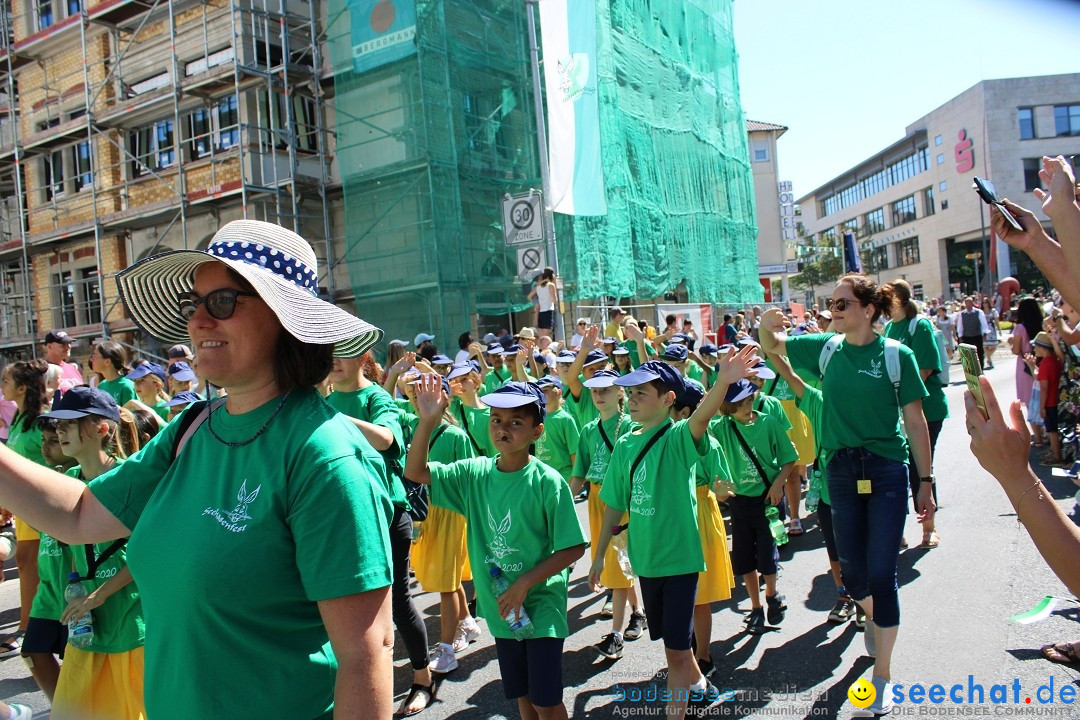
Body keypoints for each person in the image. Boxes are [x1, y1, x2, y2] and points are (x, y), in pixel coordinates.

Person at [0, 220, 396, 718]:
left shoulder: (323, 455)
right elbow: (80, 515)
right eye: (195, 304)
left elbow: (367, 654)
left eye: (223, 303)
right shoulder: (192, 428)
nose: (199, 321)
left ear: (285, 317)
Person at [759, 274, 935, 717]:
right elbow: (772, 345)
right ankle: (877, 617)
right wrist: (766, 322)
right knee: (852, 574)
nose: (833, 311)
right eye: (832, 304)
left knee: (881, 571)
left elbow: (915, 422)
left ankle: (883, 676)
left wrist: (925, 481)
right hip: (838, 470)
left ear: (869, 309)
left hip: (887, 470)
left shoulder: (897, 355)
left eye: (842, 304)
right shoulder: (826, 348)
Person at [590, 350, 759, 719]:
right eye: (629, 393)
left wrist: (723, 382)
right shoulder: (624, 444)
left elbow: (701, 417)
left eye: (641, 394)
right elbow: (614, 507)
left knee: (677, 653)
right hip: (645, 562)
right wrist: (599, 555)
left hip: (680, 560)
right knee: (673, 646)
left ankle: (676, 712)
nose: (631, 400)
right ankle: (701, 686)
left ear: (668, 400)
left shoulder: (679, 436)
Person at [405, 379, 587, 720]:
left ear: (537, 432)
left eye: (516, 422)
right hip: (503, 611)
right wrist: (428, 419)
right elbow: (415, 471)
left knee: (546, 700)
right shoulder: (474, 474)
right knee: (522, 696)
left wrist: (524, 583)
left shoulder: (548, 482)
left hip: (541, 606)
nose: (503, 428)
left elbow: (572, 548)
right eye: (496, 419)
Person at [324, 351, 431, 715]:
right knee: (346, 604)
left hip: (387, 514)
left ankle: (422, 677)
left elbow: (387, 438)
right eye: (329, 357)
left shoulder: (376, 398)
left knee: (397, 601)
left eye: (342, 355)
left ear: (361, 360)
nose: (334, 363)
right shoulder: (323, 400)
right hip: (345, 516)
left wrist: (335, 419)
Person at [40, 387, 146, 720]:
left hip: (133, 631)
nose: (60, 431)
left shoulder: (133, 478)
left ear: (102, 428)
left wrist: (98, 595)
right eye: (58, 424)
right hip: (85, 632)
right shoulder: (67, 480)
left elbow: (150, 552)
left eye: (69, 423)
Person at [402, 373, 483, 689]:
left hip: (450, 515)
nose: (415, 400)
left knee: (448, 583)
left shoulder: (455, 436)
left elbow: (468, 480)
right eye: (412, 394)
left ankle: (447, 649)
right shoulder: (411, 427)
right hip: (423, 516)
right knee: (438, 577)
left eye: (422, 394)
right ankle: (466, 621)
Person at [767, 351, 856, 626]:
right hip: (829, 488)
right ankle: (844, 596)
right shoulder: (816, 401)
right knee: (835, 548)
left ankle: (865, 599)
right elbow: (790, 374)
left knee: (859, 547)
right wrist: (771, 339)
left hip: (863, 490)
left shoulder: (865, 405)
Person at [568, 369, 646, 660]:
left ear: (620, 392)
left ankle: (615, 634)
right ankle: (638, 612)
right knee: (618, 564)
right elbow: (579, 474)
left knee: (615, 563)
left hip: (622, 503)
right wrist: (561, 501)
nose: (599, 395)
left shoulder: (630, 425)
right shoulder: (588, 429)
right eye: (595, 390)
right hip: (596, 501)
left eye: (606, 389)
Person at [709, 379, 796, 634]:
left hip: (768, 499)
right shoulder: (721, 427)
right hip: (739, 501)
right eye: (738, 403)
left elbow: (789, 458)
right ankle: (756, 607)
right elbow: (701, 421)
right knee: (744, 557)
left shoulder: (768, 422)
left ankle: (771, 594)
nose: (746, 406)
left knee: (768, 554)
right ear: (726, 406)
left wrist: (778, 484)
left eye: (749, 400)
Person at [669, 381, 734, 677]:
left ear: (684, 412)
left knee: (700, 598)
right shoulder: (664, 440)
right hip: (673, 522)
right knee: (680, 600)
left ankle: (704, 655)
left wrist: (721, 490)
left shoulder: (710, 443)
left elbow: (724, 490)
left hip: (701, 521)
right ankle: (686, 655)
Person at [885, 279, 947, 549]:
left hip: (926, 409)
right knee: (896, 470)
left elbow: (923, 371)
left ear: (898, 300)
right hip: (897, 411)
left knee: (920, 468)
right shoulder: (889, 327)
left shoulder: (918, 325)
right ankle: (896, 530)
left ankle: (929, 528)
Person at [1, 360, 51, 660]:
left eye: (6, 381)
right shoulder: (19, 419)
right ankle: (29, 626)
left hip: (40, 504)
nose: (2, 385)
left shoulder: (42, 420)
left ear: (22, 388)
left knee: (30, 562)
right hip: (23, 504)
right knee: (25, 562)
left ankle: (27, 628)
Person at [1026, 332, 1067, 467]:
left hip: (1049, 402)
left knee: (1052, 431)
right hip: (1057, 401)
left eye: (1036, 346)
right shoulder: (1055, 361)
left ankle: (1057, 456)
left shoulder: (1045, 364)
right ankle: (1055, 453)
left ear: (1043, 348)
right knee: (1053, 429)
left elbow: (1044, 388)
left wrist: (1042, 407)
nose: (1034, 349)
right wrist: (1032, 366)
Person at [1011, 297, 1045, 444]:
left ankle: (1038, 438)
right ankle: (1047, 433)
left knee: (1030, 401)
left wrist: (1012, 343)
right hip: (1042, 363)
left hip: (1025, 364)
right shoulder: (1042, 324)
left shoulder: (1020, 328)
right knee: (1042, 398)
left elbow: (1016, 350)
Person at [533, 377, 579, 484]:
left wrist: (574, 480)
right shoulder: (537, 418)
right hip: (542, 476)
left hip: (562, 476)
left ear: (558, 392)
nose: (541, 394)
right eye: (539, 391)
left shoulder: (565, 419)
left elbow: (575, 453)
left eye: (545, 390)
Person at [89, 342, 136, 407]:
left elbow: (131, 416)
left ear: (107, 362)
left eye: (94, 356)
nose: (91, 360)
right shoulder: (101, 386)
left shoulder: (127, 387)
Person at [956, 296, 990, 370]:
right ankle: (970, 370)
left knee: (979, 352)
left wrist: (984, 333)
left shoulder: (979, 312)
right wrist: (960, 336)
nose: (968, 305)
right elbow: (960, 326)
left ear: (972, 303)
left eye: (969, 303)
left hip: (977, 335)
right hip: (966, 336)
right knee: (967, 354)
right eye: (966, 303)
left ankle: (981, 368)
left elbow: (983, 324)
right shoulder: (962, 314)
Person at [527, 268, 558, 339]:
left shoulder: (538, 287)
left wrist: (537, 301)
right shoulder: (551, 285)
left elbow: (529, 297)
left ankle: (541, 349)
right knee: (546, 337)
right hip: (548, 310)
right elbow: (554, 300)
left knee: (541, 336)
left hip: (541, 312)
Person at [982, 296, 999, 369]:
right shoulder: (981, 312)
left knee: (994, 346)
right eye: (983, 303)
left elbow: (996, 321)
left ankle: (988, 357)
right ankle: (989, 360)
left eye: (986, 302)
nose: (984, 304)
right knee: (985, 346)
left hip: (991, 329)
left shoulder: (993, 311)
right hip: (984, 329)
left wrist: (999, 330)